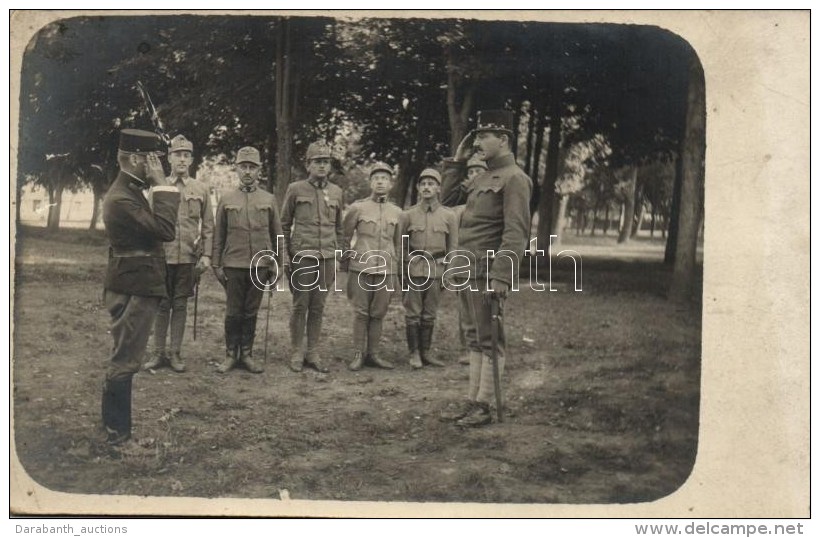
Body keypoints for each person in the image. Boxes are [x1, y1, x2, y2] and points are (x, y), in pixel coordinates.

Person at [439, 110, 533, 427]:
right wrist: (458, 159)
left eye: (484, 136)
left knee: (490, 337)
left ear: (503, 139)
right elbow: (447, 198)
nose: (477, 142)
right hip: (467, 268)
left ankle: (484, 405)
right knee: (474, 338)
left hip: (487, 271)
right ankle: (473, 401)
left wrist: (502, 277)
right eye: (476, 136)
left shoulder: (515, 179)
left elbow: (516, 232)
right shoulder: (481, 176)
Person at [101, 128, 181, 444]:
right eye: (153, 159)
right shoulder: (122, 197)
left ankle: (113, 430)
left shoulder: (130, 191)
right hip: (134, 286)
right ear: (136, 159)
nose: (157, 165)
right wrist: (162, 183)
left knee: (125, 358)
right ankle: (116, 436)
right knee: (126, 360)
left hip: (135, 282)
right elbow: (164, 229)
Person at [211, 146, 285, 374]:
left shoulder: (269, 199)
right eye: (243, 166)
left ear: (259, 170)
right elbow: (219, 235)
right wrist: (216, 264)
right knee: (233, 311)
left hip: (260, 266)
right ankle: (231, 354)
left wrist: (281, 264)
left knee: (251, 311)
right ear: (236, 169)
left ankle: (247, 353)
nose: (247, 172)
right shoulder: (226, 199)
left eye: (252, 167)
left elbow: (278, 234)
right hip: (234, 264)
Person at [144, 135, 214, 373]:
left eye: (186, 155)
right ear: (170, 159)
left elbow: (208, 226)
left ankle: (175, 353)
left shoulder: (201, 190)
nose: (182, 160)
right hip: (163, 255)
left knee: (180, 305)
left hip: (188, 257)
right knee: (162, 304)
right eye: (177, 155)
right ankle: (158, 353)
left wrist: (206, 256)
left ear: (192, 160)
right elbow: (149, 223)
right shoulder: (158, 187)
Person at [281, 141, 344, 373]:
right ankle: (297, 351)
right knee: (300, 305)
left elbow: (339, 229)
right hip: (302, 256)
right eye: (317, 161)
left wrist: (337, 256)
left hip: (326, 257)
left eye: (325, 161)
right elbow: (284, 225)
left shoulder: (336, 192)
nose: (321, 165)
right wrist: (285, 257)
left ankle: (313, 352)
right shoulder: (295, 189)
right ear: (308, 165)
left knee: (318, 306)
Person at [342, 162, 402, 371]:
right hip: (361, 268)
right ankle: (359, 354)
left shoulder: (397, 212)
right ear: (370, 182)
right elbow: (345, 236)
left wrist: (399, 271)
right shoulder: (357, 208)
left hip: (386, 270)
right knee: (361, 312)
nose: (380, 182)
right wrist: (345, 265)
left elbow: (399, 243)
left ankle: (373, 354)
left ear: (390, 183)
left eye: (384, 178)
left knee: (378, 312)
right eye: (376, 178)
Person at [398, 168, 458, 369]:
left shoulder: (449, 216)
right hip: (414, 269)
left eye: (431, 184)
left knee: (430, 312)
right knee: (413, 312)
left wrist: (449, 271)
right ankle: (414, 353)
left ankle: (426, 352)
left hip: (436, 270)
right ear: (417, 188)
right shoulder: (408, 215)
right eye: (423, 184)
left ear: (439, 188)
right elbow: (401, 245)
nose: (426, 187)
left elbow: (453, 246)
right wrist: (402, 270)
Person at [441, 155, 487, 365]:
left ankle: (486, 345)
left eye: (479, 171)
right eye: (471, 172)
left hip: (486, 258)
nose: (474, 176)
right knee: (465, 305)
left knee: (486, 304)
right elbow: (446, 201)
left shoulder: (492, 198)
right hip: (463, 258)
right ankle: (467, 348)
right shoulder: (460, 204)